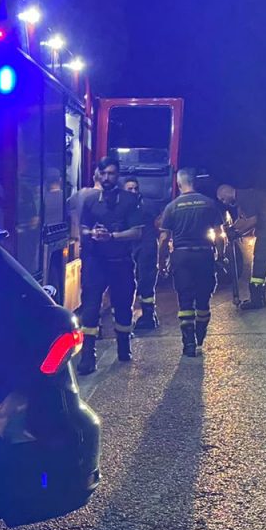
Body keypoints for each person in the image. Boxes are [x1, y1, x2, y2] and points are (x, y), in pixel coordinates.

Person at [72, 156, 144, 374]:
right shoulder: (91, 201)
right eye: (102, 174)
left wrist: (112, 236)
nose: (106, 178)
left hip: (121, 263)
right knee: (90, 309)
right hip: (96, 263)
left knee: (123, 307)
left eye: (111, 173)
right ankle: (88, 356)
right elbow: (81, 229)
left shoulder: (129, 201)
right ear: (97, 175)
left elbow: (137, 232)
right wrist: (92, 233)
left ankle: (124, 346)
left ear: (117, 175)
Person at [159, 168, 226, 357]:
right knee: (203, 300)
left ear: (179, 184)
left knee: (185, 300)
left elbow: (164, 238)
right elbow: (220, 234)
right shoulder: (209, 204)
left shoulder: (172, 207)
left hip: (181, 257)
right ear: (195, 182)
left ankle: (188, 342)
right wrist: (221, 256)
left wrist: (161, 261)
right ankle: (200, 333)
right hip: (204, 256)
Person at [217, 184, 266, 309]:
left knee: (260, 260)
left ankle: (257, 300)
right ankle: (259, 298)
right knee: (260, 260)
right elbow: (243, 220)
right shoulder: (243, 198)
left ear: (227, 193)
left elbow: (252, 220)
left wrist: (237, 233)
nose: (224, 202)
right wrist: (232, 229)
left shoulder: (245, 198)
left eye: (222, 199)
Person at [124, 178, 161, 330]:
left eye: (135, 188)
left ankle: (149, 316)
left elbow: (160, 220)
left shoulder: (149, 205)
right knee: (127, 283)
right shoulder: (119, 206)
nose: (133, 191)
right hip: (128, 248)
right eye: (129, 189)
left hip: (147, 248)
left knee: (146, 283)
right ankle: (126, 317)